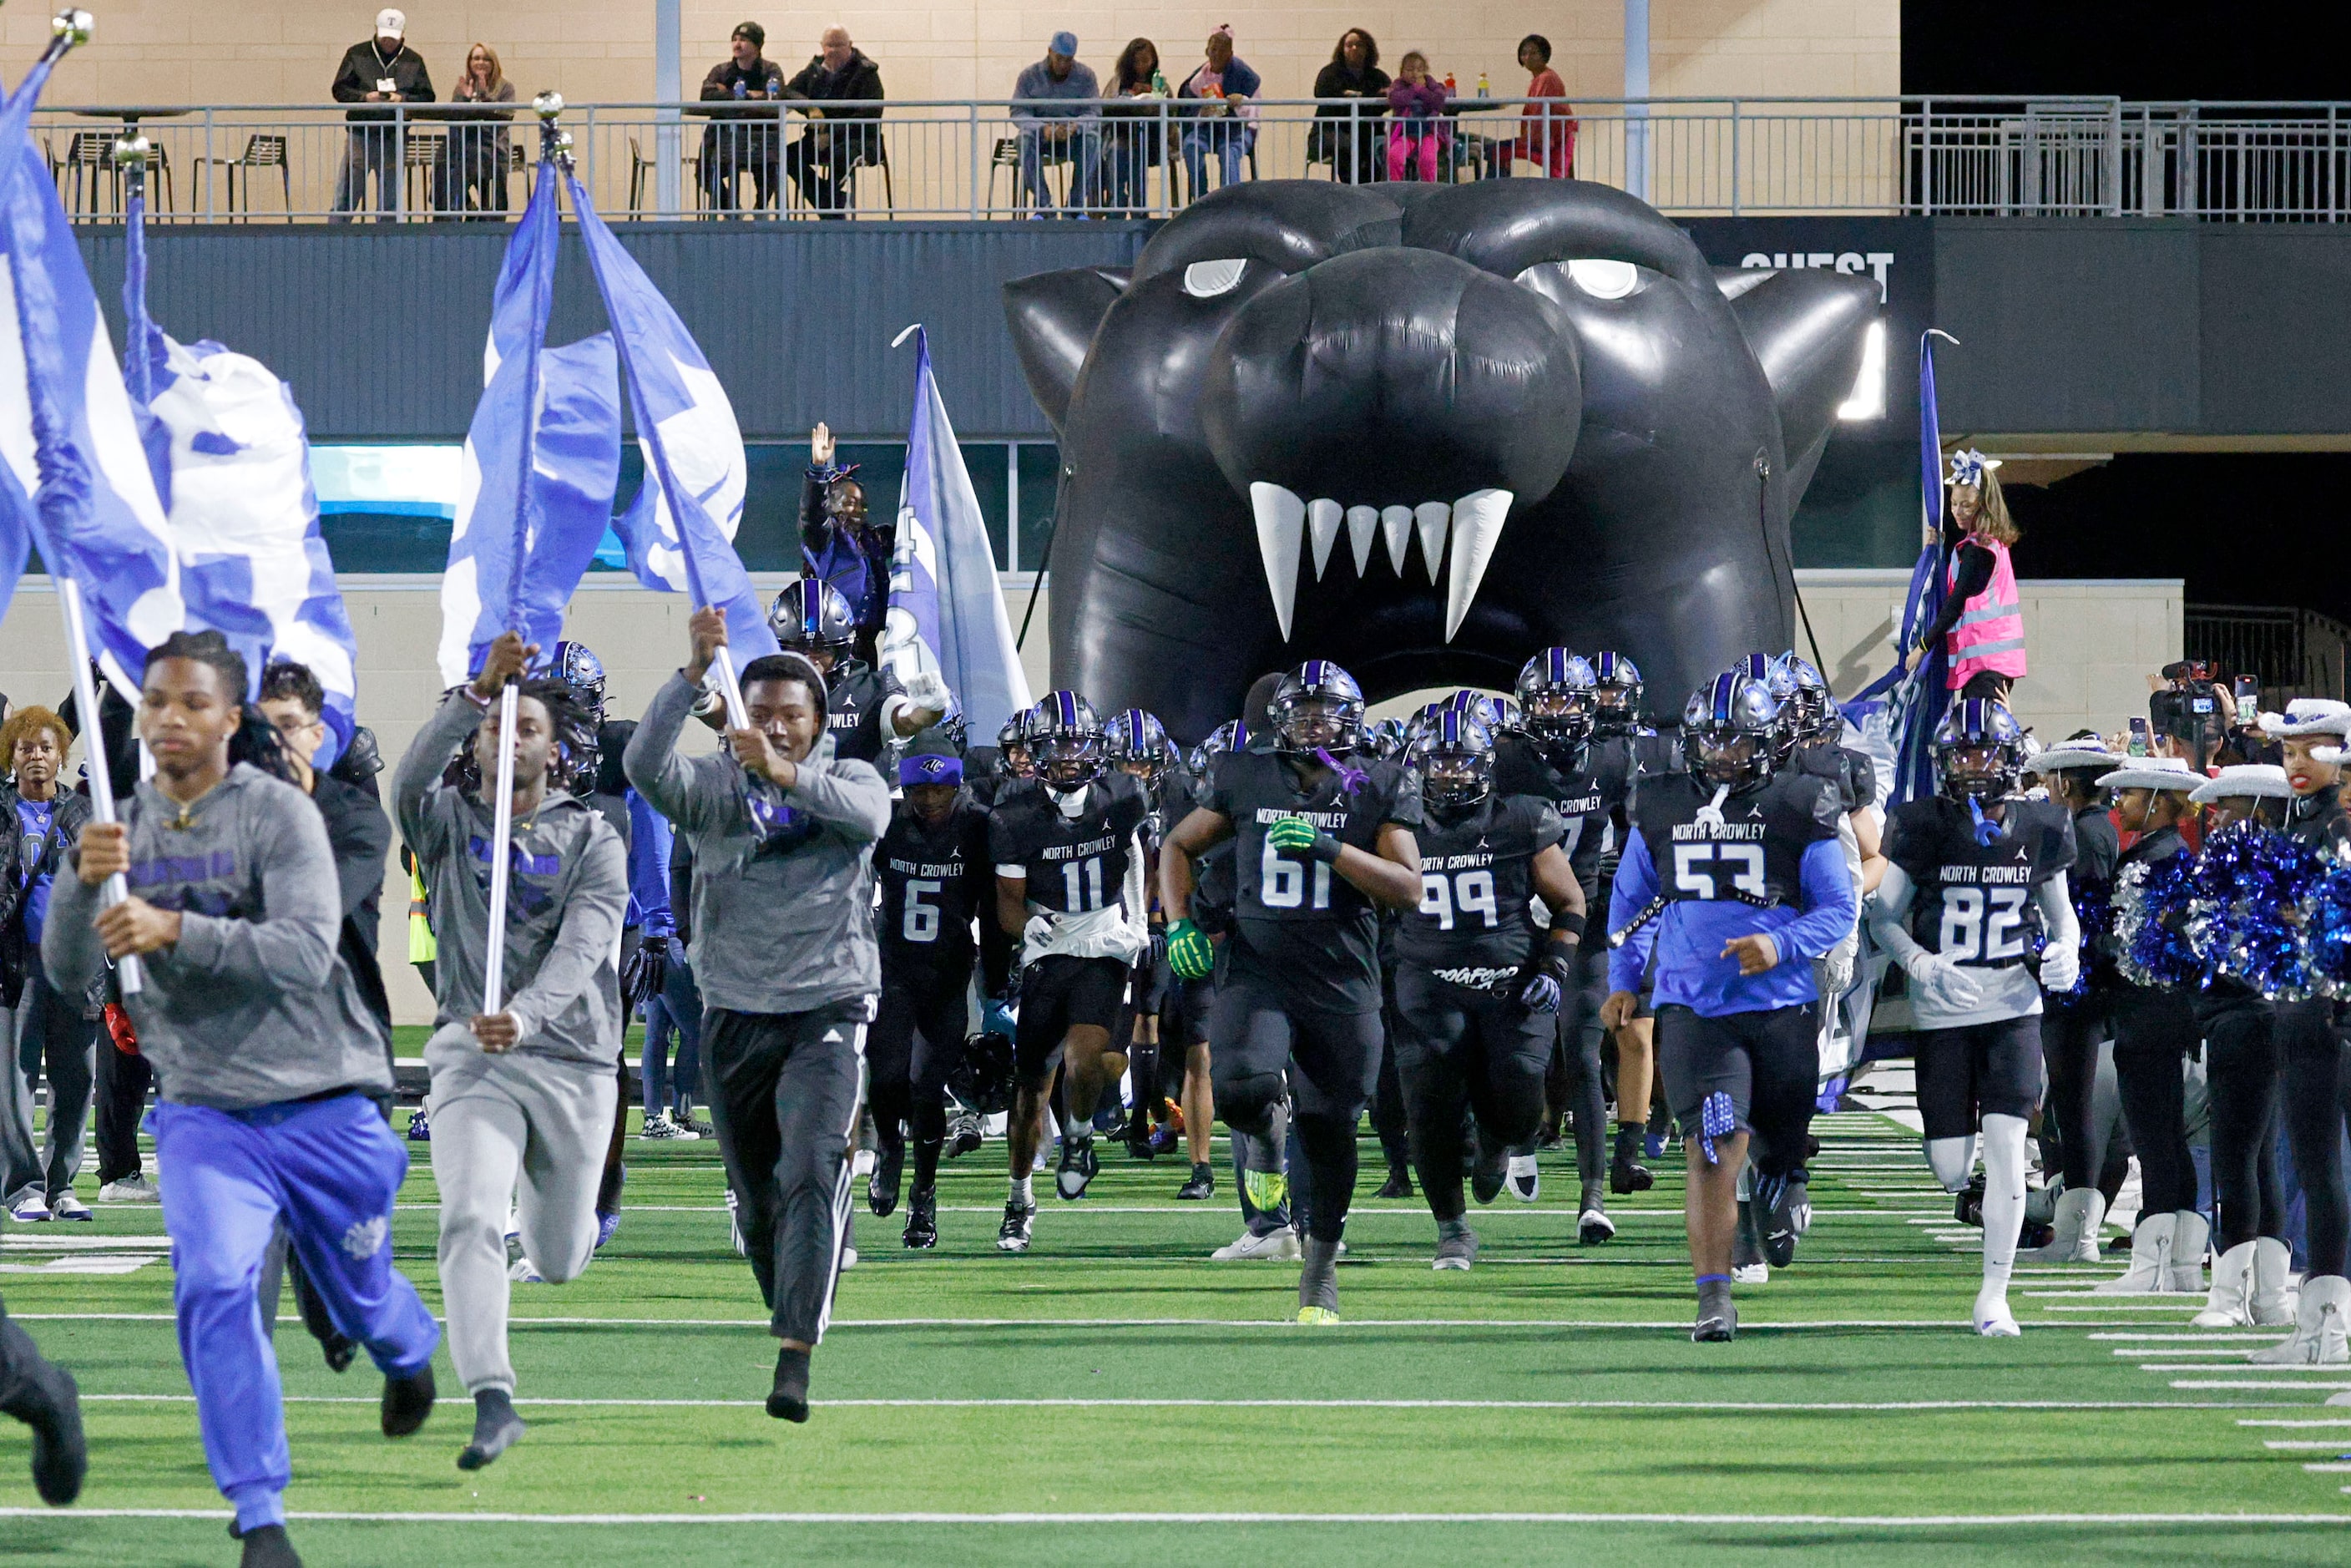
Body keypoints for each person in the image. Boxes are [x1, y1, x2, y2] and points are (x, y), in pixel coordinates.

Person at [43, 630, 440, 1568]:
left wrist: (176, 928)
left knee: (355, 1289)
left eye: (192, 704)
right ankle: (260, 1511)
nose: (171, 719)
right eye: (156, 704)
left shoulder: (279, 816)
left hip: (324, 1094)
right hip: (206, 1108)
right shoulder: (119, 826)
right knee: (216, 1286)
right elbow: (69, 977)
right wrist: (79, 884)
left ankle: (404, 1342)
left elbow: (304, 953)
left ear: (231, 718)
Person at [624, 608, 892, 1422]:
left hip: (827, 1005)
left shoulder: (851, 779)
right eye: (762, 713)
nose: (777, 726)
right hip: (735, 1008)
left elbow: (868, 821)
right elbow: (642, 767)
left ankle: (795, 1353)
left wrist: (781, 772)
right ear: (741, 716)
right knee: (757, 1196)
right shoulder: (712, 789)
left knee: (812, 1164)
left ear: (818, 723)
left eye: (792, 715)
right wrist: (687, 677)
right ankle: (794, 1295)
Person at [394, 632, 626, 1471]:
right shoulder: (446, 820)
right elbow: (409, 778)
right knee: (466, 1217)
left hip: (570, 1058)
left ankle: (561, 1213)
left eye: (526, 726)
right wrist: (468, 695)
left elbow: (583, 947)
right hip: (470, 1051)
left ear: (555, 750)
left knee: (559, 1259)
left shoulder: (594, 838)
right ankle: (491, 1395)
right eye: (496, 726)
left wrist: (525, 1016)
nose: (508, 736)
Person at [1161, 662, 1424, 1322]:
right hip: (1262, 967)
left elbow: (1409, 886)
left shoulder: (1369, 781)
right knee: (1244, 1088)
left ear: (1352, 719)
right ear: (1278, 718)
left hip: (1342, 976)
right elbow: (1177, 845)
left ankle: (1320, 1272)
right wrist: (1178, 924)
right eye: (1302, 711)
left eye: (1327, 712)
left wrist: (1333, 848)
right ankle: (1268, 1147)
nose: (1314, 723)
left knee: (1332, 1128)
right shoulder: (1246, 772)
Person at [1605, 668, 1856, 1343]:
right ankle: (1713, 1295)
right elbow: (1629, 904)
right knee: (1714, 1149)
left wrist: (1781, 943)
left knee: (1776, 1141)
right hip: (1696, 1009)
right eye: (1712, 742)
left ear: (1768, 743)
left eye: (1738, 744)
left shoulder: (1801, 803)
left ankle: (1787, 1174)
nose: (1723, 756)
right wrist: (1626, 978)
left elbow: (1839, 908)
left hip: (1782, 1009)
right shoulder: (1660, 804)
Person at [1867, 700, 2077, 1336]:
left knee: (2010, 1145)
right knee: (1951, 1166)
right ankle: (1972, 1192)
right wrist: (1918, 961)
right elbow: (1881, 917)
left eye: (1982, 752)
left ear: (2009, 758)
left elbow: (2061, 917)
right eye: (1961, 753)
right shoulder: (1921, 823)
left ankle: (1995, 1294)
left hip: (2013, 1001)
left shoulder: (2041, 824)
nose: (1972, 765)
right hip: (1942, 1009)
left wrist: (2066, 950)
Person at [1392, 707, 1583, 1269]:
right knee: (1428, 1105)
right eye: (1441, 765)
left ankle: (1500, 1143)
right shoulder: (1395, 825)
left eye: (1464, 764)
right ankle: (1452, 1228)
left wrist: (1556, 968)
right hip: (1428, 984)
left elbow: (1570, 901)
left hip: (1511, 982)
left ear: (1488, 769)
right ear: (1419, 769)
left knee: (1522, 1101)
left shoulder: (1520, 820)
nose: (1452, 776)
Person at [987, 693, 1150, 1250]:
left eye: (1079, 743)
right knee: (1032, 1088)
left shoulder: (1123, 794)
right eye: (1059, 744)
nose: (1070, 756)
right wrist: (1023, 929)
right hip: (1050, 945)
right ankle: (1018, 1197)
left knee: (1087, 1057)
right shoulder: (1014, 813)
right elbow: (1008, 899)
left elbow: (1133, 853)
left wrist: (1139, 923)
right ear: (1038, 750)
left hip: (1103, 940)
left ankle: (1079, 1135)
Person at [1499, 650, 1629, 1237]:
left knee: (1582, 1048)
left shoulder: (1614, 757)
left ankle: (1593, 1197)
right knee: (1521, 1052)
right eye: (1545, 700)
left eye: (1566, 699)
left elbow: (1642, 838)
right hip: (1518, 914)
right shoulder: (1505, 761)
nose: (1556, 712)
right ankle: (1519, 1138)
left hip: (1589, 913)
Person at [2248, 700, 2351, 1363]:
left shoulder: (2335, 826)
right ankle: (2326, 1324)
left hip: (2321, 1012)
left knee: (2320, 1170)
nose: (2296, 763)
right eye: (2287, 751)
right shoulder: (2309, 822)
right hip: (2309, 1011)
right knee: (2319, 1171)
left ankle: (2326, 1330)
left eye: (2310, 749)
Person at [2088, 755, 2205, 1298]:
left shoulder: (2160, 862)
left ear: (2157, 801)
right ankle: (2177, 1264)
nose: (2120, 805)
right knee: (2165, 1144)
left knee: (2156, 1142)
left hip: (2149, 1018)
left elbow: (2142, 946)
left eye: (2129, 796)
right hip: (2155, 1018)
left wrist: (2093, 952)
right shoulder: (2161, 856)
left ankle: (2152, 1265)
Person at [2184, 764, 2295, 1328]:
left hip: (2246, 1020)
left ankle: (2229, 1297)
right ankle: (2269, 1297)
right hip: (2249, 1020)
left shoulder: (2260, 869)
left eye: (2226, 809)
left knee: (2238, 1159)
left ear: (2257, 810)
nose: (2217, 819)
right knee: (2258, 1161)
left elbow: (2241, 958)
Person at [870, 745, 992, 1247]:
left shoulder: (978, 826)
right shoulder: (886, 822)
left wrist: (1001, 969)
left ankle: (924, 1191)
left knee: (926, 1088)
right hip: (893, 967)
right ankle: (887, 1146)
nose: (931, 798)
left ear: (958, 785)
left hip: (947, 974)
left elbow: (1000, 894)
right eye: (921, 789)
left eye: (941, 788)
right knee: (886, 1076)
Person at [2017, 738, 2124, 1263]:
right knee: (2074, 1107)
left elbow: (2076, 917)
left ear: (2065, 782)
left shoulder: (2082, 832)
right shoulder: (2100, 827)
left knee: (2076, 1108)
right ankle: (2074, 1227)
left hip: (2077, 993)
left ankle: (2076, 1236)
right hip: (2090, 990)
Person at [3, 706, 96, 1223]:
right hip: (15, 965)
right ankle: (24, 1189)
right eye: (25, 749)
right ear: (11, 760)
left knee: (76, 1077)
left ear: (62, 757)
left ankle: (62, 1185)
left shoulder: (83, 816)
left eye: (45, 748)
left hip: (76, 965)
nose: (36, 757)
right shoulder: (0, 810)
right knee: (15, 1080)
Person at [764, 579, 950, 762]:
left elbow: (906, 720)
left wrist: (930, 708)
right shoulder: (761, 693)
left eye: (822, 650)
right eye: (800, 651)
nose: (811, 662)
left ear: (843, 649)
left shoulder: (870, 691)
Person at [1902, 448, 2026, 704]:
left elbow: (1955, 603)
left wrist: (1922, 647)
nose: (1957, 511)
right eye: (1954, 503)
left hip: (1987, 666)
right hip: (1988, 665)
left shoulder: (1978, 550)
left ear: (1982, 505)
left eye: (1966, 505)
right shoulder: (1987, 545)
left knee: (1979, 736)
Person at [331, 8, 435, 222]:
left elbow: (427, 97)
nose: (389, 42)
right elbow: (340, 89)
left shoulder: (413, 60)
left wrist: (401, 100)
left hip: (394, 136)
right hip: (361, 134)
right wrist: (365, 98)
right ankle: (336, 233)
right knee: (348, 193)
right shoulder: (356, 54)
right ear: (376, 31)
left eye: (393, 38)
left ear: (402, 35)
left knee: (390, 200)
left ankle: (387, 242)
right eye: (385, 37)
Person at [797, 424, 891, 655]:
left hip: (867, 643)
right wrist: (818, 469)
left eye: (862, 505)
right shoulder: (826, 539)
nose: (858, 510)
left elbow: (911, 531)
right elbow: (812, 515)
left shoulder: (873, 539)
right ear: (832, 504)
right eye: (850, 503)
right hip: (833, 642)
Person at [782, 26, 885, 218]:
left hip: (859, 139)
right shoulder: (814, 69)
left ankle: (828, 206)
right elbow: (787, 91)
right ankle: (832, 202)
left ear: (850, 46)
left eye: (839, 45)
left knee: (841, 155)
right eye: (829, 45)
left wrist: (830, 131)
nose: (833, 50)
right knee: (788, 155)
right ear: (822, 46)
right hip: (819, 137)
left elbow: (870, 114)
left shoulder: (866, 72)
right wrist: (810, 107)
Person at [700, 22, 788, 214]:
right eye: (734, 40)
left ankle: (760, 209)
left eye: (743, 40)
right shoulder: (721, 70)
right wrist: (748, 96)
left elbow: (776, 99)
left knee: (769, 171)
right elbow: (706, 96)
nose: (737, 45)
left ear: (757, 46)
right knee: (704, 172)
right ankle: (731, 211)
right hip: (722, 137)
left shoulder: (771, 70)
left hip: (760, 138)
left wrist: (730, 96)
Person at [1011, 33, 1102, 215]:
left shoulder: (1086, 76)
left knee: (1093, 141)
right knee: (1024, 140)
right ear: (1050, 52)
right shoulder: (1029, 76)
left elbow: (1093, 112)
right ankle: (1044, 206)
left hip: (1072, 137)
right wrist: (1042, 129)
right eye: (1059, 59)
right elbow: (1018, 111)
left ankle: (1075, 207)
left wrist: (1076, 127)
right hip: (1041, 137)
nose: (1063, 65)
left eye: (1068, 60)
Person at [1176, 26, 1260, 199]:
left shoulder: (1245, 75)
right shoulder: (1197, 80)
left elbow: (1253, 111)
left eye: (1222, 51)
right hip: (1207, 129)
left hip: (1237, 129)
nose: (1217, 55)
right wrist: (1201, 114)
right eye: (1214, 50)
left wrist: (1240, 102)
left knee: (1229, 153)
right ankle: (1201, 198)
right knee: (1191, 145)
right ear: (1207, 51)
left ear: (1230, 54)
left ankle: (1229, 201)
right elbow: (1188, 110)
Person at [434, 43, 515, 219]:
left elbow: (504, 119)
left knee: (471, 164)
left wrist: (485, 98)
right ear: (469, 62)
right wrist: (464, 98)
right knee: (442, 165)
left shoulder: (505, 87)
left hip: (492, 145)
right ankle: (463, 208)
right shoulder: (463, 86)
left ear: (494, 63)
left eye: (486, 59)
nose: (481, 62)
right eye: (476, 58)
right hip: (462, 144)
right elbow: (454, 120)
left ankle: (483, 214)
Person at [1310, 29, 1388, 185]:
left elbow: (1388, 98)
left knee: (1382, 149)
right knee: (1348, 146)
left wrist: (1354, 96)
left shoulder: (1377, 76)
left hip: (1368, 134)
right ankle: (1352, 190)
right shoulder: (1329, 73)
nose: (1354, 48)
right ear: (1342, 48)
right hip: (1330, 133)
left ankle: (1373, 190)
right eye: (1349, 45)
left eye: (1359, 45)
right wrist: (1366, 97)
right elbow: (1322, 93)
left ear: (1368, 49)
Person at [1102, 39, 1169, 216]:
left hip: (1149, 140)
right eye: (1136, 61)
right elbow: (1105, 108)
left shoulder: (1160, 82)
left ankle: (1139, 207)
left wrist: (1150, 94)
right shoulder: (1118, 82)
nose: (1141, 66)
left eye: (1145, 61)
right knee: (1118, 151)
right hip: (1120, 136)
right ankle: (1116, 203)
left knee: (1137, 154)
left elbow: (1170, 108)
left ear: (1153, 60)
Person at [1514, 34, 1575, 178]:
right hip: (1552, 137)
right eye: (1524, 53)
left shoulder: (1546, 79)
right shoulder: (1540, 78)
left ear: (1544, 55)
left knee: (1496, 152)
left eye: (1533, 53)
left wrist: (1530, 141)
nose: (1528, 57)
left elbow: (1538, 113)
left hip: (1553, 139)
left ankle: (1498, 195)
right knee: (1563, 179)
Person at [1385, 52, 1449, 184]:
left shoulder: (1431, 84)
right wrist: (1414, 90)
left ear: (1425, 72)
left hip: (1430, 133)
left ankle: (1428, 189)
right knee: (1394, 155)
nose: (1415, 74)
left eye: (1419, 70)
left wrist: (1421, 90)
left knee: (1428, 158)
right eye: (1409, 70)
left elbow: (1438, 101)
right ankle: (1395, 187)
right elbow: (1395, 100)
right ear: (1402, 72)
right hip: (1406, 134)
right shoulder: (1398, 85)